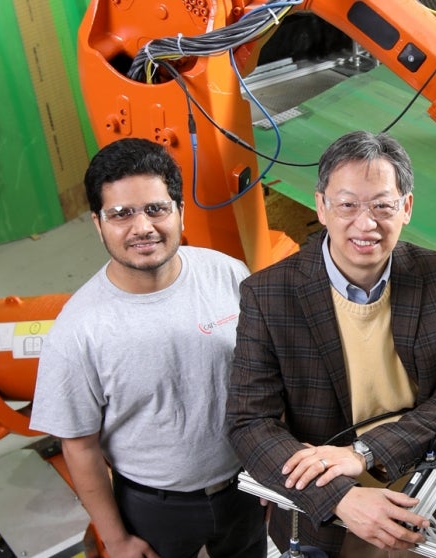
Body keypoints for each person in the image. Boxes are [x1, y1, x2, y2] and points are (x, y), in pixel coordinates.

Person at [226, 130, 436, 555]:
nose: (365, 224)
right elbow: (249, 423)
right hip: (328, 512)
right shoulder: (269, 294)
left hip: (427, 492)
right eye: (347, 204)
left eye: (382, 205)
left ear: (407, 208)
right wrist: (340, 499)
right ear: (321, 207)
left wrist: (364, 452)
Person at [29, 138, 266, 558]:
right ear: (98, 224)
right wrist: (116, 539)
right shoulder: (79, 329)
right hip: (154, 507)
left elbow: (263, 376)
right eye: (121, 214)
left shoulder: (227, 274)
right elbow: (79, 446)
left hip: (243, 486)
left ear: (180, 211)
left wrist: (271, 469)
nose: (142, 228)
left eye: (156, 209)